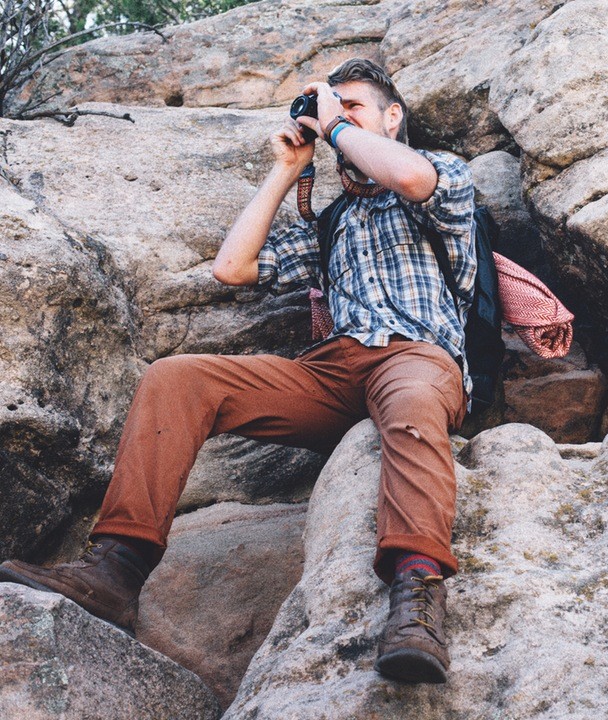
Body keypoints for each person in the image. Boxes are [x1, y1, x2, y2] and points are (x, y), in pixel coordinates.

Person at [0, 58, 475, 685]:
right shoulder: (331, 223)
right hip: (332, 373)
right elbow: (232, 266)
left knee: (413, 400)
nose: (335, 117)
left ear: (393, 117)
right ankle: (115, 567)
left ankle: (417, 595)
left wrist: (334, 127)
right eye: (329, 108)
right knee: (176, 377)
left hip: (418, 355)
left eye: (353, 106)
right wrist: (286, 170)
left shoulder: (443, 175)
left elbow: (412, 178)